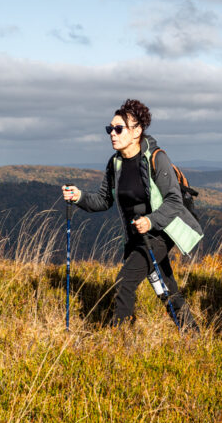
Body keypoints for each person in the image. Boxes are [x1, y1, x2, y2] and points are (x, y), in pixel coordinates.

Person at [61, 99, 201, 331]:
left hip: (160, 233)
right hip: (138, 236)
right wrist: (79, 197)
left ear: (137, 131)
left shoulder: (157, 158)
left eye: (118, 129)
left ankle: (120, 340)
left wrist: (151, 221)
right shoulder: (115, 163)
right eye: (110, 129)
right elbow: (104, 200)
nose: (112, 134)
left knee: (124, 283)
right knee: (164, 287)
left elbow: (174, 201)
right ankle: (193, 334)